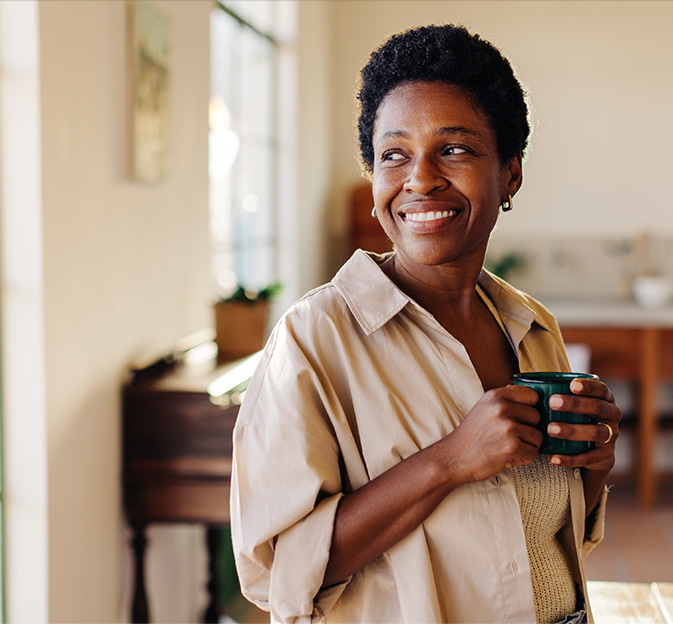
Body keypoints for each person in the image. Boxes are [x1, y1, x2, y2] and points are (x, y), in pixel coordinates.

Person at [230, 24, 622, 624]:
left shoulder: (532, 326)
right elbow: (282, 572)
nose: (420, 178)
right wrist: (451, 460)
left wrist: (591, 465)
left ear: (510, 174)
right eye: (394, 155)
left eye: (455, 149)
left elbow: (545, 534)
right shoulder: (315, 339)